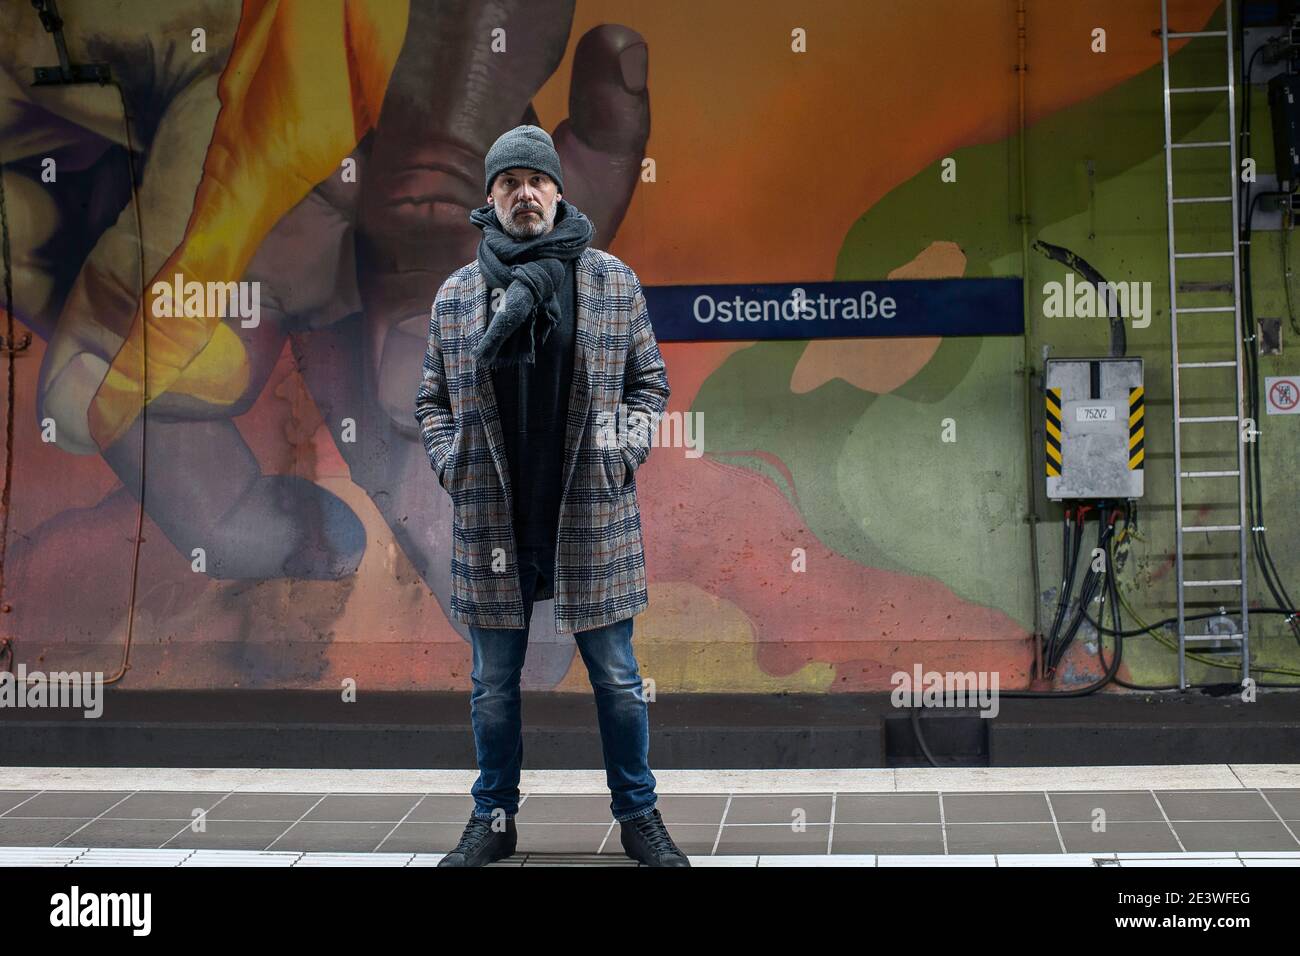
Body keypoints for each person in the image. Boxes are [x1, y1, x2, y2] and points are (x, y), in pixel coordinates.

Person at [414, 125, 687, 866]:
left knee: (620, 683)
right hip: (495, 519)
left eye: (537, 180)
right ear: (490, 199)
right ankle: (493, 823)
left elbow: (649, 383)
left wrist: (621, 456)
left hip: (589, 514)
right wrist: (451, 464)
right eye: (509, 183)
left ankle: (638, 817)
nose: (525, 193)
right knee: (493, 689)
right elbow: (432, 400)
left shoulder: (609, 281)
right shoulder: (458, 297)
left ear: (558, 192)